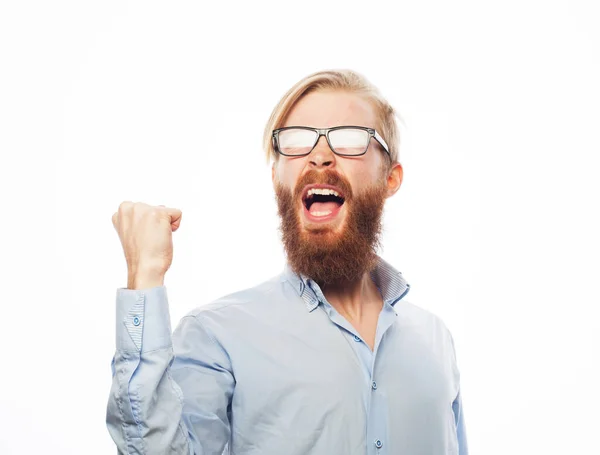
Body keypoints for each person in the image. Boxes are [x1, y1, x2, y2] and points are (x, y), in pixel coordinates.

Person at [107, 69, 468, 455]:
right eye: (296, 142)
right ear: (278, 177)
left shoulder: (434, 340)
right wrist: (145, 277)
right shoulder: (217, 335)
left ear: (390, 178)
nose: (320, 156)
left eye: (349, 140)